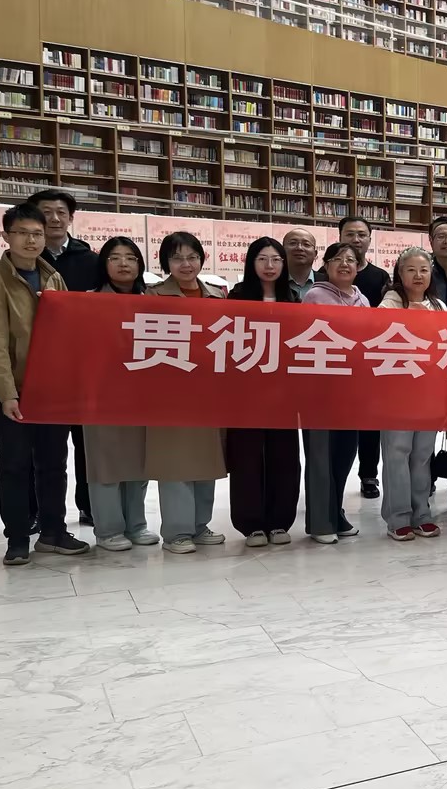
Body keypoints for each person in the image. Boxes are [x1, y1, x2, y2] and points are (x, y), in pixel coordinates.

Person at [0, 203, 90, 566]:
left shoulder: (52, 277)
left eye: (37, 234)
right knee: (14, 463)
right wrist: (6, 393)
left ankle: (53, 532)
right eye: (22, 233)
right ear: (6, 236)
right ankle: (17, 538)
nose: (31, 240)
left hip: (51, 388)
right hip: (14, 388)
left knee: (53, 462)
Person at [149, 231, 228, 554]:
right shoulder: (152, 296)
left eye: (192, 257)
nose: (186, 264)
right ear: (165, 262)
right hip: (170, 392)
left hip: (209, 392)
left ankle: (199, 525)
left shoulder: (217, 297)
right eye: (177, 258)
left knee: (206, 460)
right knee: (175, 463)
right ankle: (176, 532)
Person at [82, 238, 160, 552]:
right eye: (115, 258)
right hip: (102, 394)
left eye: (130, 257)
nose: (123, 263)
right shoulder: (88, 301)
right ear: (104, 264)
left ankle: (136, 524)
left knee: (138, 464)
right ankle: (108, 529)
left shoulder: (152, 299)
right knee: (106, 464)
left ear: (140, 264)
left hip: (142, 394)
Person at [225, 237, 300, 547]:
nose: (270, 266)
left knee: (285, 457)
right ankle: (251, 524)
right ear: (251, 262)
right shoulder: (237, 297)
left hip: (284, 393)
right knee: (246, 457)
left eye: (276, 260)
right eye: (262, 259)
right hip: (245, 393)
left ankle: (280, 521)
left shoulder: (292, 299)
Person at [29, 189, 96, 527]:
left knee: (87, 442)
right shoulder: (24, 261)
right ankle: (40, 512)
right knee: (42, 447)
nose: (54, 219)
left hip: (85, 365)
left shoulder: (91, 261)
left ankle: (89, 505)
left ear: (71, 218)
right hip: (40, 365)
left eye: (61, 212)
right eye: (47, 212)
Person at [302, 242, 370, 543]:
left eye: (351, 260)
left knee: (344, 455)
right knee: (321, 457)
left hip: (352, 391)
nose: (345, 264)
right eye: (338, 259)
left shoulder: (362, 299)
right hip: (320, 390)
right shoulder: (315, 296)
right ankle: (321, 522)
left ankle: (336, 512)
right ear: (326, 265)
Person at [377, 248, 445, 542]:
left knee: (422, 455)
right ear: (399, 274)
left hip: (429, 392)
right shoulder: (389, 305)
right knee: (397, 453)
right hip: (397, 392)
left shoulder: (439, 306)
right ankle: (398, 517)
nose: (418, 276)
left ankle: (421, 514)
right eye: (411, 270)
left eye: (424, 270)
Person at [324, 216, 389, 501]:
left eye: (362, 234)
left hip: (369, 361)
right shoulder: (323, 281)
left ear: (370, 239)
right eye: (350, 234)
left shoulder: (379, 277)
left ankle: (369, 475)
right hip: (333, 363)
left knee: (370, 425)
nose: (356, 239)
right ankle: (330, 486)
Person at [283, 227, 318, 300]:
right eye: (293, 243)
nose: (299, 248)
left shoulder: (328, 283)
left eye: (306, 244)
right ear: (282, 250)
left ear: (315, 254)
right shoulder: (272, 282)